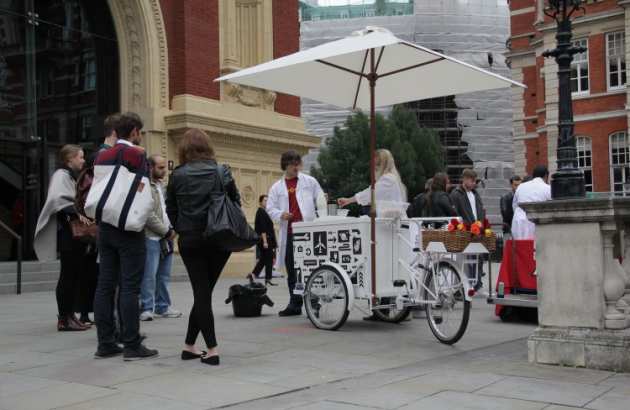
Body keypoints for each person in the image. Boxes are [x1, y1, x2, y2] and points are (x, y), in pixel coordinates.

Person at [167, 128, 240, 366]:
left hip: (191, 240)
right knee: (204, 292)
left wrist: (183, 227)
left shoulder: (177, 175)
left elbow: (171, 210)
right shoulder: (222, 171)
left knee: (202, 293)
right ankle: (211, 349)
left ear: (184, 149)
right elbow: (236, 203)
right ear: (208, 147)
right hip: (220, 239)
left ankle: (192, 346)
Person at [93, 112, 158, 360]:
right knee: (130, 287)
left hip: (106, 226)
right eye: (139, 132)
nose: (140, 136)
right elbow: (142, 189)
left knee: (105, 285)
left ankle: (105, 342)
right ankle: (131, 343)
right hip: (128, 227)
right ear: (133, 132)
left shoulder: (103, 154)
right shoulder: (136, 154)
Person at [34, 144, 91, 331]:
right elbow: (57, 199)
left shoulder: (70, 176)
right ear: (70, 159)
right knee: (68, 276)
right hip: (68, 234)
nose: (83, 160)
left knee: (73, 276)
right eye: (80, 157)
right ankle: (65, 318)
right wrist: (76, 212)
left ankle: (69, 316)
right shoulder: (61, 175)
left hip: (74, 234)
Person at [267, 150, 323, 316]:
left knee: (311, 268)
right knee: (293, 269)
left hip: (308, 231)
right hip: (290, 233)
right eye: (293, 164)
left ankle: (314, 302)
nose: (296, 167)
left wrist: (322, 203)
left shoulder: (310, 181)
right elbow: (270, 208)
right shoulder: (277, 187)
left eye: (298, 163)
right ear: (286, 165)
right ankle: (295, 303)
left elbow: (320, 199)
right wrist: (281, 215)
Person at [139, 155, 181, 321]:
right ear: (150, 167)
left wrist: (172, 229)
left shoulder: (161, 186)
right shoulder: (144, 185)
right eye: (161, 167)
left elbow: (166, 211)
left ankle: (163, 306)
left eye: (165, 167)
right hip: (152, 237)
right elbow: (148, 214)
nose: (164, 171)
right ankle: (147, 308)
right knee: (149, 275)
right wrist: (165, 231)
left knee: (163, 275)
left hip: (166, 237)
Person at [450, 168, 486, 289]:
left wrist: (480, 224)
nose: (474, 183)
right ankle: (466, 285)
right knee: (467, 259)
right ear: (465, 179)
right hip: (465, 230)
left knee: (478, 257)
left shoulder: (475, 194)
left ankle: (477, 284)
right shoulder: (456, 194)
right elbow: (456, 213)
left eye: (475, 181)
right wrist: (466, 226)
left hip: (477, 229)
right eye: (472, 180)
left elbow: (480, 210)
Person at [337, 149, 407, 210]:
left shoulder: (388, 179)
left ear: (379, 165)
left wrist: (348, 200)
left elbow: (370, 193)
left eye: (374, 166)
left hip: (392, 222)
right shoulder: (392, 178)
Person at [511, 165, 551, 240]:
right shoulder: (547, 188)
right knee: (534, 248)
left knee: (519, 248)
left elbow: (514, 205)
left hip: (519, 221)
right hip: (536, 223)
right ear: (546, 176)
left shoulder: (521, 186)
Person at [248, 195, 277, 286]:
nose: (266, 202)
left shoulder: (264, 212)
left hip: (267, 239)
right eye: (265, 200)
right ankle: (266, 278)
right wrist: (265, 241)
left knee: (265, 259)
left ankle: (254, 275)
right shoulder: (260, 212)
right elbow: (262, 228)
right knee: (268, 258)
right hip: (265, 239)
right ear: (260, 202)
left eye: (267, 201)